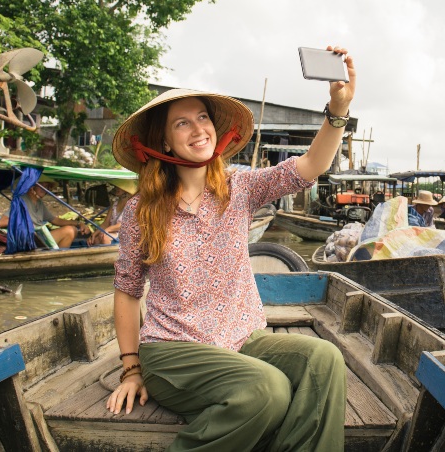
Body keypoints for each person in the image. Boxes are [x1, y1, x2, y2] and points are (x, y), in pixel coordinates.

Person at [106, 45, 354, 451]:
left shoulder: (239, 188)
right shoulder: (142, 211)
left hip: (242, 340)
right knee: (267, 388)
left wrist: (338, 108)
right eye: (182, 123)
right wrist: (131, 370)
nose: (198, 129)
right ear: (165, 143)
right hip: (174, 353)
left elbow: (312, 165)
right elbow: (127, 291)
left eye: (202, 117)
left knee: (323, 358)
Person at [0, 179, 88, 248]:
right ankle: (58, 259)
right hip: (29, 239)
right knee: (69, 231)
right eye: (41, 186)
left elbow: (55, 220)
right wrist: (25, 224)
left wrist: (78, 223)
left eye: (47, 187)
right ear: (32, 186)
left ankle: (57, 257)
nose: (44, 189)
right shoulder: (22, 201)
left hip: (40, 238)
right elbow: (1, 222)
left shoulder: (39, 203)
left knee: (74, 230)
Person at [87, 179, 136, 245]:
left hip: (126, 234)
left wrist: (107, 230)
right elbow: (106, 223)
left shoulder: (133, 204)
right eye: (116, 186)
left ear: (126, 190)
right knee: (94, 240)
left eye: (119, 187)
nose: (116, 188)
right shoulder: (114, 204)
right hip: (110, 232)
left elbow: (125, 224)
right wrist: (94, 234)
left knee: (105, 238)